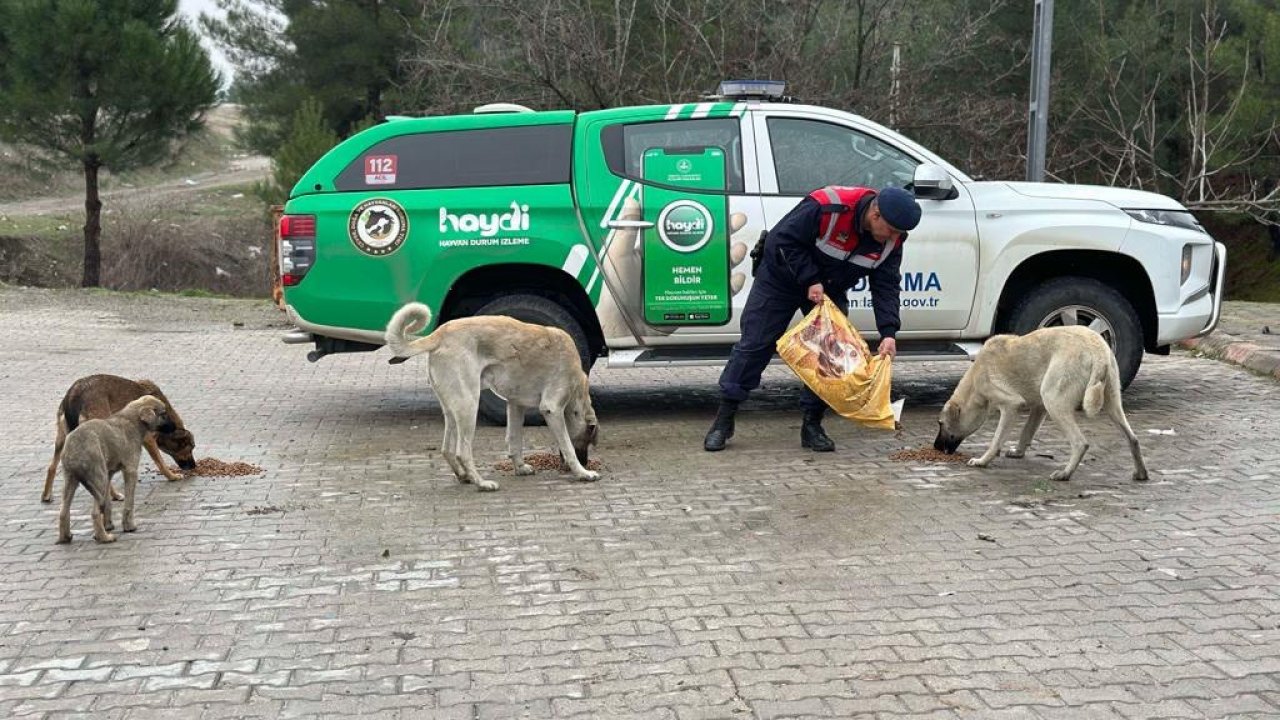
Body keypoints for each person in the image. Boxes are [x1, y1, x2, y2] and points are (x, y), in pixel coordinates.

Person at [703, 185, 922, 452]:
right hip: (780, 277)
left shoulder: (892, 241)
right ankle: (724, 420)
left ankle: (812, 424)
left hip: (829, 288)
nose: (894, 237)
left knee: (830, 355)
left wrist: (888, 332)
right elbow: (782, 240)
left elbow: (886, 285)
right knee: (755, 345)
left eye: (899, 233)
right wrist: (810, 278)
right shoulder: (828, 206)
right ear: (875, 214)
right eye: (891, 230)